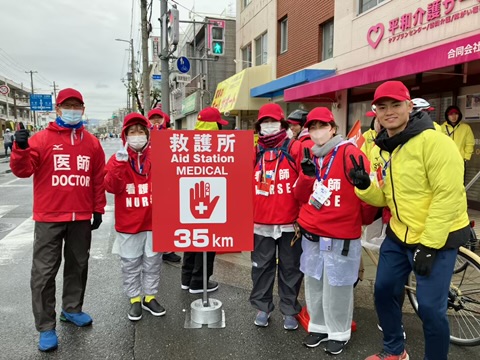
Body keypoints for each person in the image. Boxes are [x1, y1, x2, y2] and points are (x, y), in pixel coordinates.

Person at [349, 81, 470, 360]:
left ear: (408, 106)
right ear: (375, 111)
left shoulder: (435, 142)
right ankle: (394, 350)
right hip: (399, 233)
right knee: (383, 290)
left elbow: (447, 196)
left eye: (395, 105)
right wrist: (364, 186)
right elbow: (386, 199)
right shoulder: (383, 147)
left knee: (430, 308)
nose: (389, 111)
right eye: (382, 106)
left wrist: (428, 245)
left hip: (438, 236)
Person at [9, 88, 106, 352]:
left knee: (79, 264)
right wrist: (19, 147)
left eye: (77, 106)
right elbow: (23, 169)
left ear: (83, 110)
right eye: (67, 106)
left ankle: (72, 309)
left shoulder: (92, 143)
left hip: (81, 216)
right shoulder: (41, 140)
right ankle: (45, 326)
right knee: (44, 272)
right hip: (49, 217)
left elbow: (98, 178)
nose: (72, 110)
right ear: (58, 109)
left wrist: (98, 209)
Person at [293, 107, 375, 355]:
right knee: (314, 280)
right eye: (313, 127)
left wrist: (357, 221)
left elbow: (367, 196)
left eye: (322, 126)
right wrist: (306, 179)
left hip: (340, 234)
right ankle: (318, 326)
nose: (318, 131)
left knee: (338, 285)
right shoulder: (311, 154)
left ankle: (338, 332)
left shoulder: (349, 152)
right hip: (313, 233)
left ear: (333, 128)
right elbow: (299, 196)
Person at [105, 112, 166, 321]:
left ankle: (150, 297)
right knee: (130, 263)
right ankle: (134, 300)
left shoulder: (158, 155)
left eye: (141, 131)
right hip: (129, 223)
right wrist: (119, 164)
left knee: (153, 262)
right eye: (132, 132)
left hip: (154, 222)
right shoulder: (117, 159)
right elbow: (111, 186)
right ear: (125, 135)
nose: (137, 135)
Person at [251, 103, 304, 330]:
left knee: (290, 268)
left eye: (273, 121)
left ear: (282, 124)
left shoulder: (295, 147)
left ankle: (289, 308)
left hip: (290, 223)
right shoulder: (253, 150)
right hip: (260, 222)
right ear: (259, 126)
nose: (269, 126)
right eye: (265, 122)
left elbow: (306, 183)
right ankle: (263, 307)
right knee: (261, 267)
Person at [180, 106, 227, 294]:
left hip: (188, 199)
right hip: (211, 200)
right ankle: (199, 282)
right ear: (214, 125)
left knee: (192, 240)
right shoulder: (217, 145)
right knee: (207, 241)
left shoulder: (187, 143)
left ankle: (186, 278)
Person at [147, 108, 181, 264]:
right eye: (152, 119)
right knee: (150, 218)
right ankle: (152, 247)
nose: (155, 122)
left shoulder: (172, 136)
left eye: (158, 119)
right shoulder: (143, 137)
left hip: (168, 183)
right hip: (148, 184)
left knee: (168, 217)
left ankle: (167, 249)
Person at [441, 105, 474, 176]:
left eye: (456, 114)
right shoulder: (441, 128)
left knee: (460, 182)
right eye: (451, 114)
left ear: (459, 115)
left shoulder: (466, 128)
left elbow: (470, 143)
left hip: (460, 161)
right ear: (447, 115)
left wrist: (466, 157)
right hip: (445, 161)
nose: (453, 117)